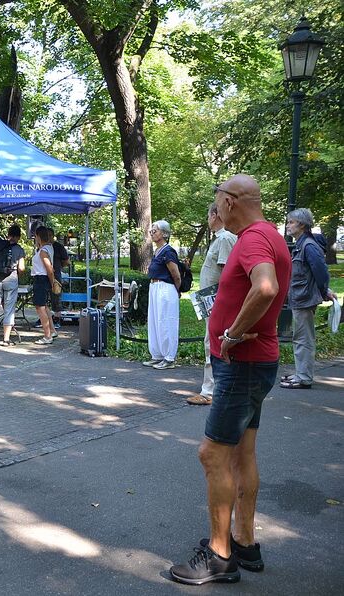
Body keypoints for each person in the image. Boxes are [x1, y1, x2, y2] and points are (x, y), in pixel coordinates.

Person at [169, 174, 291, 585]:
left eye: (218, 200)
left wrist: (233, 333)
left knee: (212, 454)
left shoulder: (254, 239)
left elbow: (266, 287)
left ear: (231, 201)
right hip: (254, 363)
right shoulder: (269, 234)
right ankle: (244, 542)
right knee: (243, 452)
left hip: (242, 363)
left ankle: (219, 557)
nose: (216, 208)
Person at [280, 208, 335, 389]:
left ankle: (303, 377)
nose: (288, 226)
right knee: (300, 337)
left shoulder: (308, 246)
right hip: (300, 298)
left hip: (304, 299)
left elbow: (321, 272)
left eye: (291, 222)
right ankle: (300, 373)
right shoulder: (302, 244)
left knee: (303, 338)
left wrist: (324, 290)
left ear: (302, 225)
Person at [188, 205, 238, 405]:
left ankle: (209, 391)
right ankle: (215, 387)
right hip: (213, 300)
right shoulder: (221, 238)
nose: (207, 220)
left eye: (207, 215)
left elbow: (227, 273)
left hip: (217, 302)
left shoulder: (225, 238)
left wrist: (217, 301)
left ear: (215, 215)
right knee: (213, 342)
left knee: (212, 343)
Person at [144, 220, 181, 370]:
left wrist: (176, 290)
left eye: (155, 230)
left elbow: (175, 274)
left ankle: (169, 357)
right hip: (155, 287)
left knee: (166, 322)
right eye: (151, 231)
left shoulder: (168, 251)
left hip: (165, 288)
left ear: (164, 233)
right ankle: (157, 355)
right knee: (155, 321)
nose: (152, 233)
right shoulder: (157, 251)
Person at [0, 224, 26, 345]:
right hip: (11, 278)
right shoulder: (19, 249)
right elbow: (22, 268)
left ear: (8, 235)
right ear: (18, 236)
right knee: (9, 309)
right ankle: (6, 339)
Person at [31, 226, 56, 345]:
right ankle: (52, 330)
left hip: (41, 279)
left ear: (38, 236)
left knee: (40, 307)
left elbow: (49, 268)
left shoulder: (43, 251)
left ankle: (47, 336)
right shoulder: (48, 248)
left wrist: (52, 282)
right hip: (43, 279)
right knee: (44, 306)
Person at [48, 227, 70, 329]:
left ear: (52, 236)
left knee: (56, 297)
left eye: (49, 235)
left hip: (56, 275)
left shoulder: (58, 247)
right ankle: (47, 318)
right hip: (45, 276)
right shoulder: (43, 247)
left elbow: (66, 261)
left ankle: (57, 319)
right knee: (45, 299)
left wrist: (59, 267)